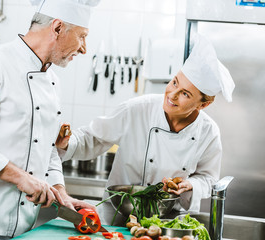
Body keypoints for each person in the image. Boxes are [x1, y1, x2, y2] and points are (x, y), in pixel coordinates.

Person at [0, 0, 100, 239]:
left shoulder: (53, 81)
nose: (84, 48)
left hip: (22, 225)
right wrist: (21, 178)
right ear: (57, 28)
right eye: (82, 36)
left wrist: (60, 192)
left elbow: (48, 148)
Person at [56, 34, 235, 212]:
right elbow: (93, 137)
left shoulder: (208, 132)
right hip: (120, 213)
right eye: (174, 83)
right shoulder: (137, 109)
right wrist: (68, 142)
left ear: (203, 104)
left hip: (170, 219)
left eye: (185, 94)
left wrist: (190, 184)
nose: (172, 94)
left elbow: (208, 178)